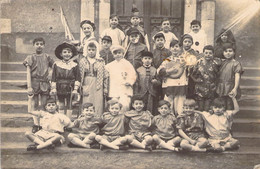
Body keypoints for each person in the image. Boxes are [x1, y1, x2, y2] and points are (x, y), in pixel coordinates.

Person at [23, 37, 54, 133]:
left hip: (45, 83)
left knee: (44, 104)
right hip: (34, 83)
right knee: (35, 104)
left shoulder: (47, 57)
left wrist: (50, 73)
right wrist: (29, 86)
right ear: (33, 45)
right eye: (37, 44)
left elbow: (54, 66)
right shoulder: (30, 58)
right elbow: (28, 72)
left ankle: (43, 123)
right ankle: (36, 124)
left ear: (44, 45)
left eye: (41, 44)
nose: (39, 46)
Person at [50, 42, 80, 119]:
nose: (67, 54)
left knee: (70, 105)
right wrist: (54, 88)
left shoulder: (75, 65)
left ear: (72, 54)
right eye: (65, 52)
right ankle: (61, 120)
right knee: (61, 104)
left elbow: (77, 77)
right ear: (61, 54)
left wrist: (75, 89)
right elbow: (53, 77)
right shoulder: (57, 65)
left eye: (69, 52)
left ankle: (68, 121)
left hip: (70, 87)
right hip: (60, 86)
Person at [157, 40, 187, 115]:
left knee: (180, 105)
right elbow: (159, 71)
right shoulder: (167, 59)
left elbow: (190, 71)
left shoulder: (184, 60)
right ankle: (169, 121)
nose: (175, 49)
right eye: (172, 47)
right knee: (168, 104)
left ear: (180, 48)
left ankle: (180, 120)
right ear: (170, 49)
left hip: (180, 85)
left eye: (177, 46)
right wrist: (169, 71)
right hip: (169, 85)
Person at [79, 40, 108, 116]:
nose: (91, 52)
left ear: (96, 50)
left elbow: (105, 76)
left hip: (98, 83)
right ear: (86, 50)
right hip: (86, 83)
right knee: (87, 101)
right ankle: (85, 119)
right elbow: (79, 75)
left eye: (93, 50)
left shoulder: (101, 61)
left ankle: (97, 119)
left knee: (98, 101)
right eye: (89, 50)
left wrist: (105, 87)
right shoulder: (82, 61)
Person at [105, 45, 137, 111]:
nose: (118, 55)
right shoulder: (110, 65)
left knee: (125, 105)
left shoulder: (127, 64)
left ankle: (124, 119)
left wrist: (130, 81)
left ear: (123, 54)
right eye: (115, 53)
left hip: (125, 88)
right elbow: (104, 71)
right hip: (114, 89)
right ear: (113, 55)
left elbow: (133, 74)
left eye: (119, 53)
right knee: (114, 106)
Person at [191, 45, 221, 111]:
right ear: (203, 53)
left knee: (207, 109)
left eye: (210, 53)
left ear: (213, 54)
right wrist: (196, 80)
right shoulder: (199, 62)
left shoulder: (216, 63)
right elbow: (192, 74)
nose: (208, 55)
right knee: (200, 108)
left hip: (211, 89)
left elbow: (218, 75)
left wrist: (215, 84)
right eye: (206, 53)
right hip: (200, 89)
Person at [216, 43, 243, 110]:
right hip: (221, 87)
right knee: (221, 105)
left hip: (230, 86)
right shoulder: (221, 62)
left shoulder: (236, 63)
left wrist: (235, 88)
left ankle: (229, 119)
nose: (228, 53)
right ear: (223, 53)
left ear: (234, 52)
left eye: (230, 51)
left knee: (229, 105)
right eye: (226, 51)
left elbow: (237, 76)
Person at [181, 34, 200, 100]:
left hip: (191, 76)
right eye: (185, 42)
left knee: (190, 91)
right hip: (181, 75)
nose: (187, 43)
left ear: (192, 43)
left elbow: (197, 64)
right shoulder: (180, 52)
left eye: (189, 42)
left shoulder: (194, 53)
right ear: (182, 42)